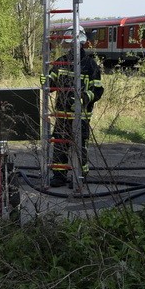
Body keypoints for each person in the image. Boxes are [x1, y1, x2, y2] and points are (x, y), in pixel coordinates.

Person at [45, 27, 104, 188]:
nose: (72, 48)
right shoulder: (61, 62)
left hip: (81, 116)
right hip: (62, 114)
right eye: (71, 45)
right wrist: (47, 82)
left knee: (80, 146)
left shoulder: (91, 65)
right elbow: (50, 82)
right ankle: (59, 176)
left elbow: (98, 90)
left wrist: (84, 99)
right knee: (60, 145)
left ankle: (80, 175)